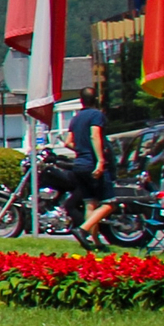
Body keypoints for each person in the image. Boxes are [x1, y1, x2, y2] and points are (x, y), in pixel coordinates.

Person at [67, 99, 116, 248]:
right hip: (92, 165)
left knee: (90, 204)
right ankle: (83, 230)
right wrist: (100, 161)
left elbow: (68, 142)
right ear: (97, 100)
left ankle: (94, 242)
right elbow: (95, 135)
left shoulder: (75, 118)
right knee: (110, 203)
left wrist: (81, 151)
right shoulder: (96, 115)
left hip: (79, 165)